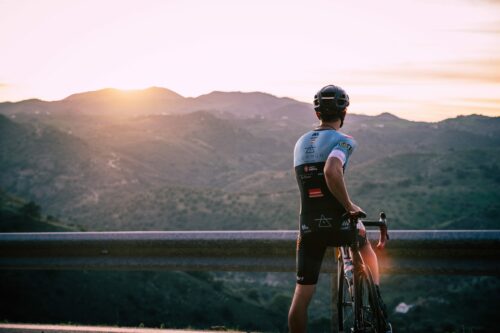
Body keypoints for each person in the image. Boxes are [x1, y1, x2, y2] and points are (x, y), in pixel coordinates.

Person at [288, 85, 390, 332]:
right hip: (339, 223)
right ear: (344, 112)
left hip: (308, 226)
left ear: (317, 114)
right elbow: (332, 170)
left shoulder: (300, 143)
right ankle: (377, 305)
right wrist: (349, 205)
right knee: (364, 242)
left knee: (301, 298)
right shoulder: (344, 141)